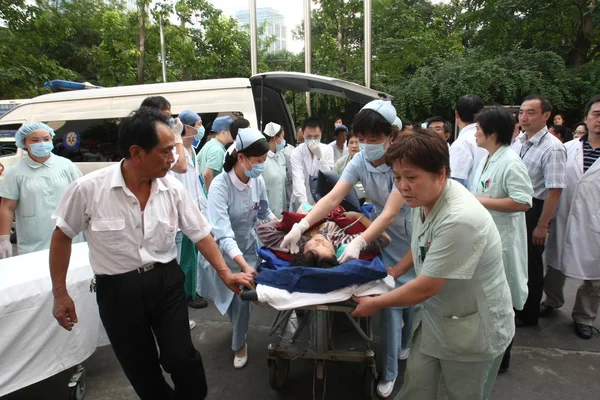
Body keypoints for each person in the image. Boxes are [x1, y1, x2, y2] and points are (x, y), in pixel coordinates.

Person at [49, 106, 254, 400]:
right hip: (117, 290)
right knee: (141, 369)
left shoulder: (171, 189)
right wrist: (60, 292)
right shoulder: (88, 189)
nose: (174, 158)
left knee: (181, 358)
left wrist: (225, 273)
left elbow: (200, 234)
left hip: (165, 282)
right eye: (166, 151)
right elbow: (62, 236)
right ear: (137, 153)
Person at [352, 130, 514, 400]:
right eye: (397, 178)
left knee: (463, 394)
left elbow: (427, 286)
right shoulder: (422, 200)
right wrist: (395, 271)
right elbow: (421, 246)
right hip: (436, 320)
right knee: (416, 387)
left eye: (411, 177)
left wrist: (376, 303)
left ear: (441, 173)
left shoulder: (460, 219)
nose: (403, 186)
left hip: (473, 329)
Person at [281, 100, 413, 399]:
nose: (366, 145)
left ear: (391, 135)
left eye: (374, 139)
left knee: (411, 297)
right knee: (390, 303)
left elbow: (391, 213)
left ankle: (405, 345)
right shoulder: (359, 161)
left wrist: (359, 240)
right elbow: (332, 199)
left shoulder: (402, 162)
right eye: (362, 139)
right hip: (377, 231)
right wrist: (301, 226)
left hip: (406, 229)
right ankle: (389, 371)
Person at [198, 127, 275, 369]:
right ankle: (238, 332)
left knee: (242, 298)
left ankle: (239, 343)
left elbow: (264, 212)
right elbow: (223, 234)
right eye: (259, 161)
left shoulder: (257, 180)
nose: (262, 165)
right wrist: (242, 265)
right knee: (232, 301)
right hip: (223, 253)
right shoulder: (220, 186)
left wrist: (286, 226)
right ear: (242, 158)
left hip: (249, 249)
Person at [472, 106, 533, 372]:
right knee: (488, 298)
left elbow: (523, 201)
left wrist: (480, 201)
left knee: (503, 300)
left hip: (504, 240)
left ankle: (502, 358)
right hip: (487, 237)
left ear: (492, 132)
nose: (474, 133)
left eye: (478, 128)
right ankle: (489, 348)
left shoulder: (510, 161)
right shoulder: (488, 157)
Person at [541, 94, 600, 340]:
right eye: (596, 114)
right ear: (586, 117)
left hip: (594, 222)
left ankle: (584, 317)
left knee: (595, 277)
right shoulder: (566, 149)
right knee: (555, 263)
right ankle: (552, 300)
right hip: (563, 217)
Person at [514, 95, 566, 327]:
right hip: (516, 206)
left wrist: (542, 225)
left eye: (531, 112)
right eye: (522, 112)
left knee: (532, 263)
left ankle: (529, 313)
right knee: (518, 261)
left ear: (546, 115)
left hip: (535, 209)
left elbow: (554, 191)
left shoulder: (553, 148)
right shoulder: (519, 140)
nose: (524, 117)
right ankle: (518, 305)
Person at [0, 122, 82, 258]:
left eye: (46, 139)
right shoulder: (15, 172)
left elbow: (82, 196)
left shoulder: (66, 165)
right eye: (35, 140)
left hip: (70, 236)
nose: (42, 143)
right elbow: (7, 207)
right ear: (24, 143)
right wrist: (3, 238)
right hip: (34, 240)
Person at [169, 110, 209, 314]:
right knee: (184, 258)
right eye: (199, 124)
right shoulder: (176, 154)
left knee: (192, 256)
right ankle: (186, 295)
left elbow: (196, 185)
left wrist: (203, 210)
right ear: (187, 127)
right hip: (179, 216)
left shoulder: (192, 150)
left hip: (193, 212)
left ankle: (191, 291)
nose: (201, 128)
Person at [257, 210, 390, 265]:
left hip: (312, 212)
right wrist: (358, 216)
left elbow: (263, 230)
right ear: (336, 254)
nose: (319, 241)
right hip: (342, 213)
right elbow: (385, 238)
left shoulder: (296, 243)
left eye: (313, 247)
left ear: (303, 252)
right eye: (324, 246)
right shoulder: (347, 245)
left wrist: (299, 223)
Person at [289, 117, 335, 211]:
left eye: (316, 136)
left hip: (321, 198)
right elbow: (298, 178)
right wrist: (303, 202)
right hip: (301, 198)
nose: (312, 140)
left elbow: (328, 176)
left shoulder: (328, 150)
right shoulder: (296, 152)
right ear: (303, 134)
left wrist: (319, 157)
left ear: (321, 134)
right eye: (309, 136)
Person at [140, 96, 187, 174]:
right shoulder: (152, 135)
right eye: (166, 109)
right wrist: (177, 137)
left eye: (169, 109)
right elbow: (181, 167)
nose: (170, 113)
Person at [449, 94, 487, 191]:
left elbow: (456, 184)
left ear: (456, 114)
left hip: (469, 201)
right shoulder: (491, 137)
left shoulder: (461, 143)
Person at [196, 115, 233, 192]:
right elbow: (207, 175)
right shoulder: (217, 150)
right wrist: (212, 195)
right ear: (223, 132)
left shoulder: (209, 144)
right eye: (231, 131)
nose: (234, 133)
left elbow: (198, 162)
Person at [262, 122, 288, 218]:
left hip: (281, 213)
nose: (284, 140)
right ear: (275, 138)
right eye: (282, 137)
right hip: (266, 214)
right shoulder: (262, 159)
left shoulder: (281, 156)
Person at [333, 130, 366, 200]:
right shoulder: (340, 163)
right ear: (347, 145)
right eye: (351, 143)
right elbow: (332, 182)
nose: (354, 146)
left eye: (357, 142)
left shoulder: (371, 162)